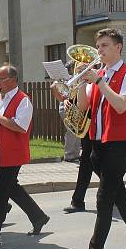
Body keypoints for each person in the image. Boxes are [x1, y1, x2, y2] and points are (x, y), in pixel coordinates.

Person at [68, 29, 126, 249]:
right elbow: (84, 107)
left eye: (104, 46)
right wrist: (81, 83)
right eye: (98, 46)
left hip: (119, 144)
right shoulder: (99, 74)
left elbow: (121, 104)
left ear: (118, 48)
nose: (100, 51)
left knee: (104, 201)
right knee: (119, 196)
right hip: (97, 144)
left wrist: (98, 82)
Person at [0, 65, 51, 249]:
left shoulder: (23, 100)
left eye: (0, 79)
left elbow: (20, 126)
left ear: (12, 79)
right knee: (12, 188)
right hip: (0, 150)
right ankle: (38, 216)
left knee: (1, 194)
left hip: (13, 152)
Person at [50, 70, 92, 214]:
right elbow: (70, 98)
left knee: (96, 165)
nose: (80, 70)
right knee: (87, 165)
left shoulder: (96, 81)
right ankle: (77, 201)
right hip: (86, 127)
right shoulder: (77, 82)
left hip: (96, 127)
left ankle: (118, 193)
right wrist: (67, 101)